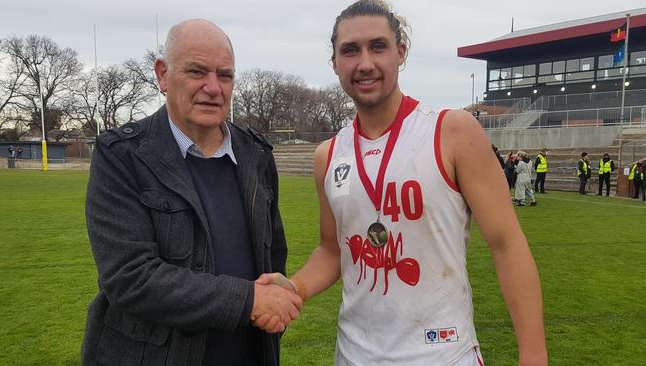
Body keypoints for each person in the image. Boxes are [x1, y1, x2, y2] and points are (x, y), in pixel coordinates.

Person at [257, 1, 547, 364]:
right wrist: (294, 288)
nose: (365, 63)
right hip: (354, 354)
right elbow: (333, 251)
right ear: (334, 63)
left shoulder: (451, 132)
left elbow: (507, 244)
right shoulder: (328, 156)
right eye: (350, 50)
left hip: (442, 353)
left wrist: (533, 355)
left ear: (401, 52)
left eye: (378, 46)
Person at [81, 19, 302, 366]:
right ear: (163, 75)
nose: (213, 88)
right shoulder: (122, 155)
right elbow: (131, 278)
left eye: (225, 75)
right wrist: (249, 301)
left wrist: (275, 300)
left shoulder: (256, 154)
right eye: (197, 71)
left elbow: (273, 253)